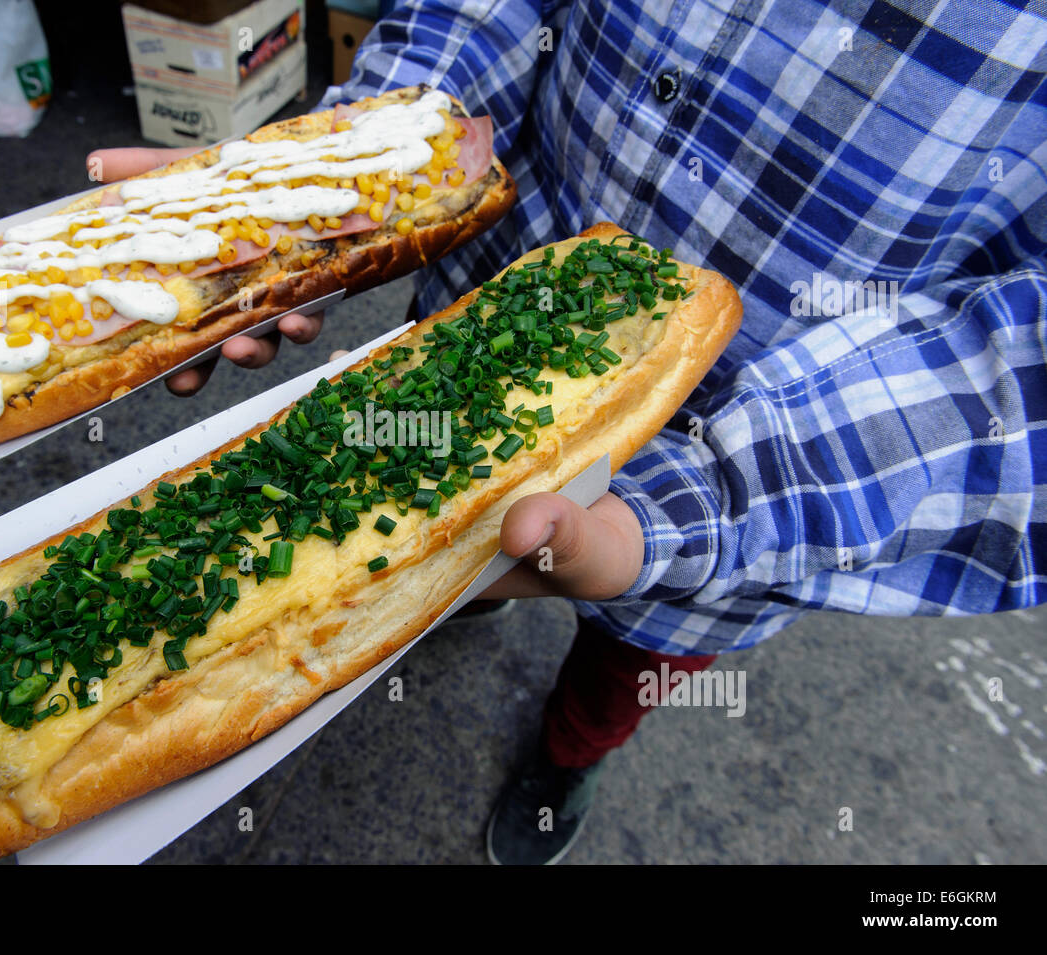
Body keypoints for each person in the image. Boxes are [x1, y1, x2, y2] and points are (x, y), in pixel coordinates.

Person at [90, 0, 1047, 864]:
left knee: (631, 659)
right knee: (429, 546)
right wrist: (361, 164)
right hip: (482, 323)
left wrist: (718, 495)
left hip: (762, 481)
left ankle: (565, 757)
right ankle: (466, 597)